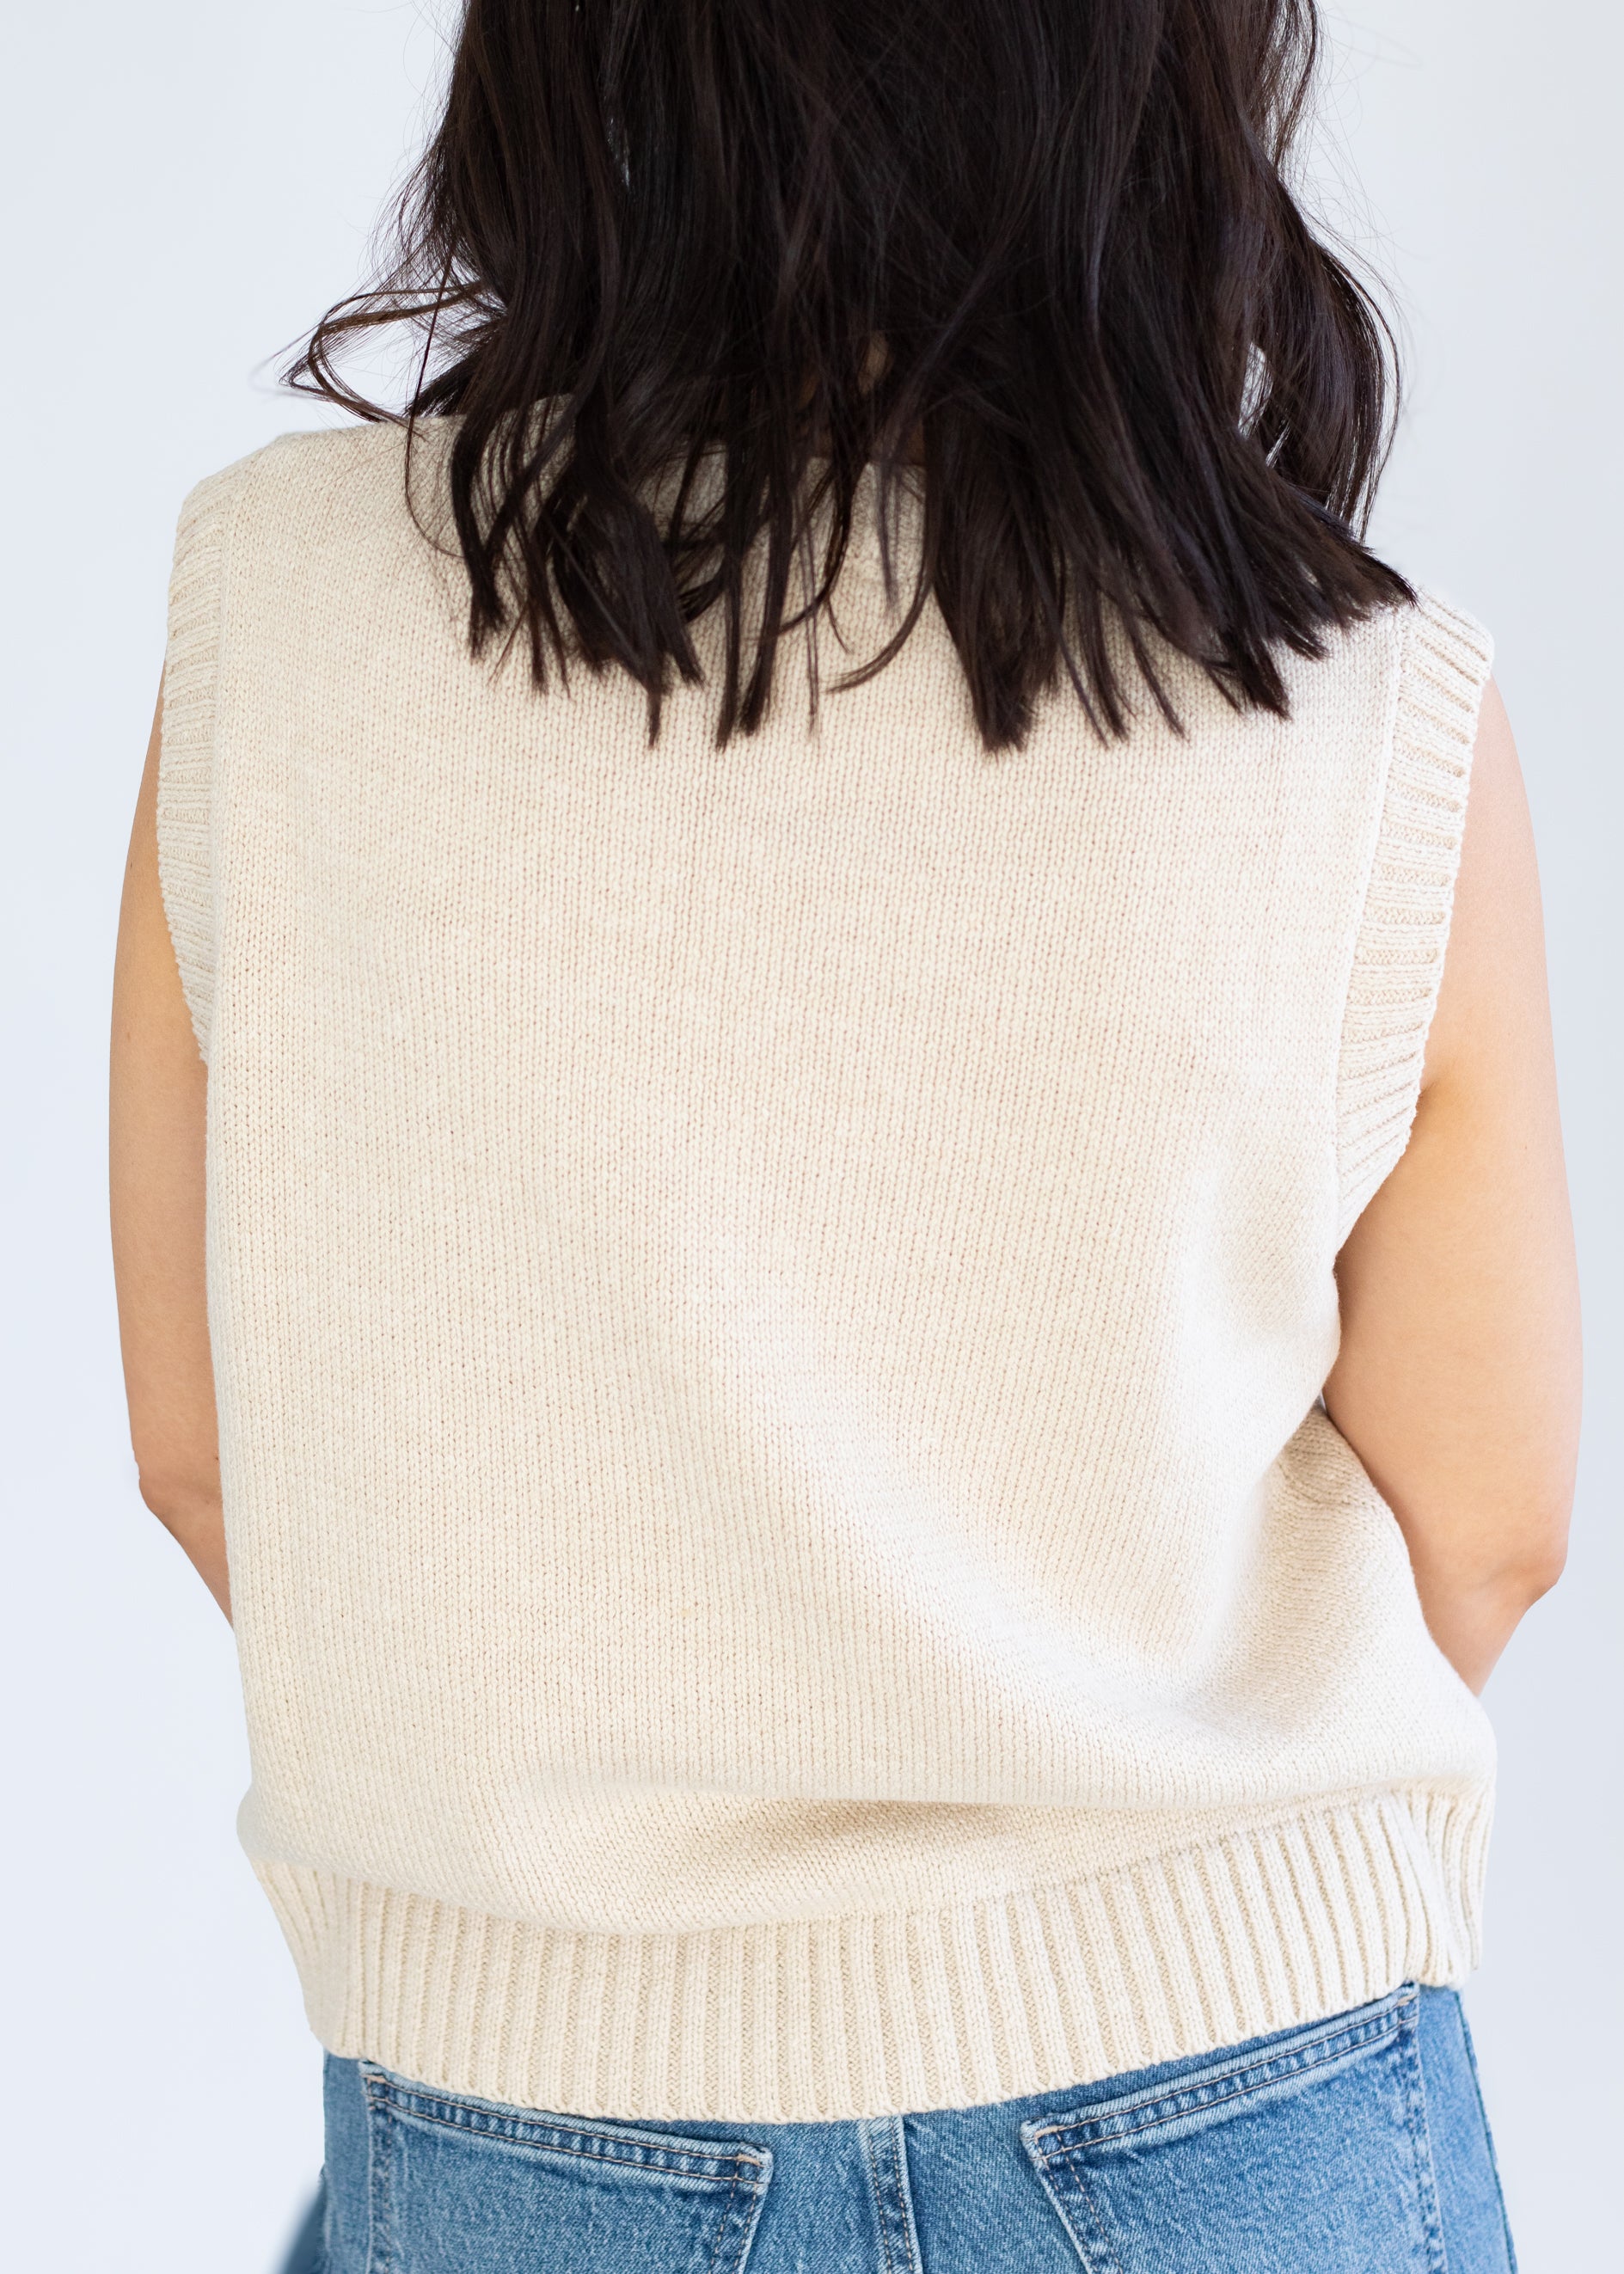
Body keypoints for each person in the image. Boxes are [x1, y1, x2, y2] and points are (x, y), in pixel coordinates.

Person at [110, 2, 1580, 2266]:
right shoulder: (1364, 702)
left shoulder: (281, 606)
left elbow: (210, 1456)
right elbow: (1480, 1528)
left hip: (525, 2110)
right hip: (1228, 2115)